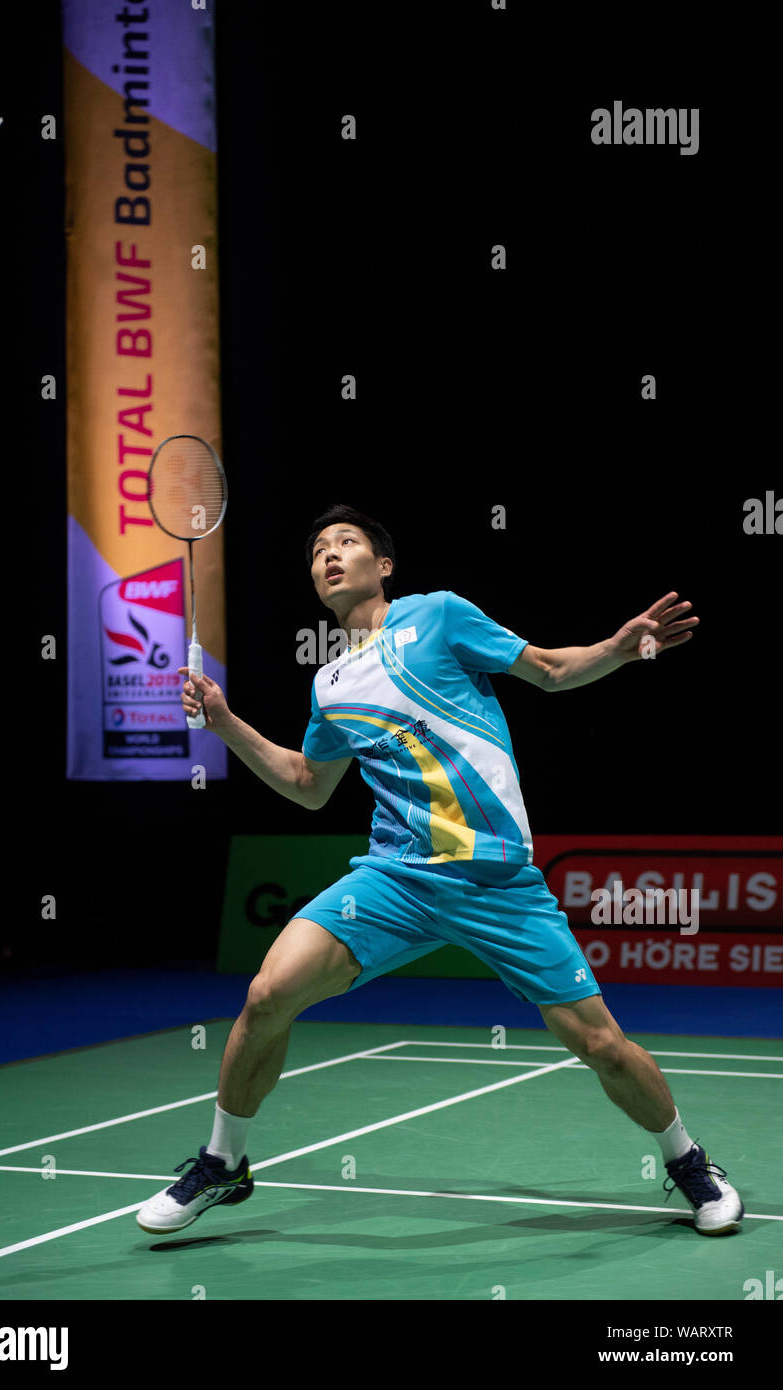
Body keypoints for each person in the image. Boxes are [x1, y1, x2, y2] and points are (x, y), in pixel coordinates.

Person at [136, 503, 743, 1239]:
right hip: (395, 880)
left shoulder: (440, 617)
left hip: (497, 882)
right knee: (267, 994)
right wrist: (226, 722)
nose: (330, 555)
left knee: (602, 1045)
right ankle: (224, 1163)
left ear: (383, 565)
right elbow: (307, 782)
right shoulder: (329, 685)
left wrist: (616, 649)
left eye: (347, 543)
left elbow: (548, 670)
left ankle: (687, 1163)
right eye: (318, 550)